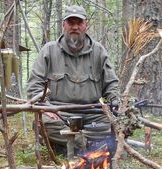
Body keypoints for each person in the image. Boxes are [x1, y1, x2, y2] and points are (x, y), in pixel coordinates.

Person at [26, 5, 119, 154]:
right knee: (41, 123)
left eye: (79, 23)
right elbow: (34, 85)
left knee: (116, 124)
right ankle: (88, 144)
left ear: (85, 25)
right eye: (71, 23)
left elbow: (111, 85)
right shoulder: (49, 51)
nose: (75, 27)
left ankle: (69, 144)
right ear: (64, 25)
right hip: (60, 113)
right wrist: (46, 107)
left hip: (93, 113)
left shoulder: (99, 51)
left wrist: (114, 104)